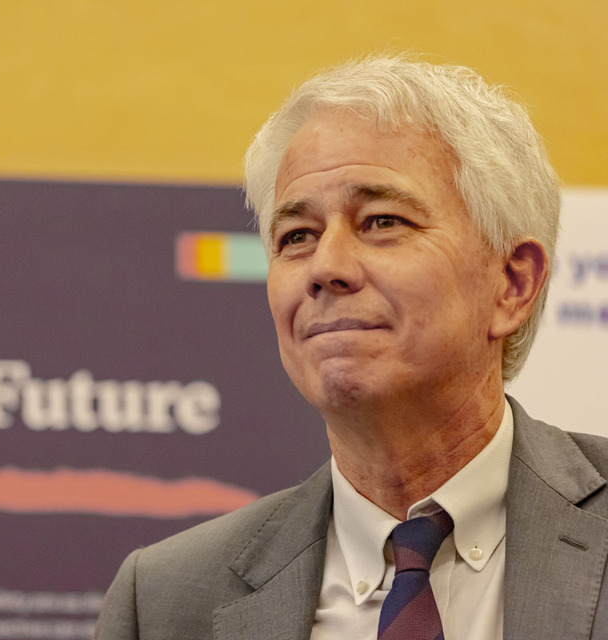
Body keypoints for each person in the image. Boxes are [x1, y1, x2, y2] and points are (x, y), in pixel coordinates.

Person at [94, 55, 608, 640]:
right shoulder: (164, 602)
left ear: (510, 284)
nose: (326, 267)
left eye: (382, 221)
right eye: (297, 237)